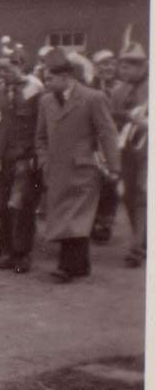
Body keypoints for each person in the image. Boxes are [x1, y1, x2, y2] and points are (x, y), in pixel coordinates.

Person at [35, 50, 120, 283]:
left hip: (83, 168)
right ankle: (81, 266)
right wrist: (43, 161)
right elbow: (40, 138)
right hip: (55, 170)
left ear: (65, 77)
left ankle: (67, 267)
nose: (46, 83)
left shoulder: (93, 98)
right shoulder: (45, 101)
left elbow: (107, 133)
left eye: (49, 78)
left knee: (75, 217)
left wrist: (114, 167)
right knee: (66, 216)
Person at [0, 51, 44, 273]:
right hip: (0, 158)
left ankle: (22, 253)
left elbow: (41, 126)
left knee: (20, 206)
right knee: (2, 207)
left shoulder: (35, 92)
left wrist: (34, 155)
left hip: (23, 158)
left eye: (7, 69)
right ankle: (8, 250)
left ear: (20, 65)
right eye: (0, 69)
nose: (3, 73)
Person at [112, 43, 148, 268]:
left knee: (143, 194)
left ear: (141, 66)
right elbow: (111, 116)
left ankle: (137, 248)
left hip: (148, 148)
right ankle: (142, 238)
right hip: (126, 149)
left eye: (127, 67)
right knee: (129, 195)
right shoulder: (119, 90)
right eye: (121, 66)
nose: (122, 71)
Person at [90, 48, 122, 243]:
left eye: (110, 63)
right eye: (102, 64)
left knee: (112, 183)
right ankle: (93, 220)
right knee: (94, 183)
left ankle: (105, 223)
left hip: (117, 141)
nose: (107, 68)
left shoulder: (122, 88)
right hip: (94, 143)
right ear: (95, 67)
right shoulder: (89, 87)